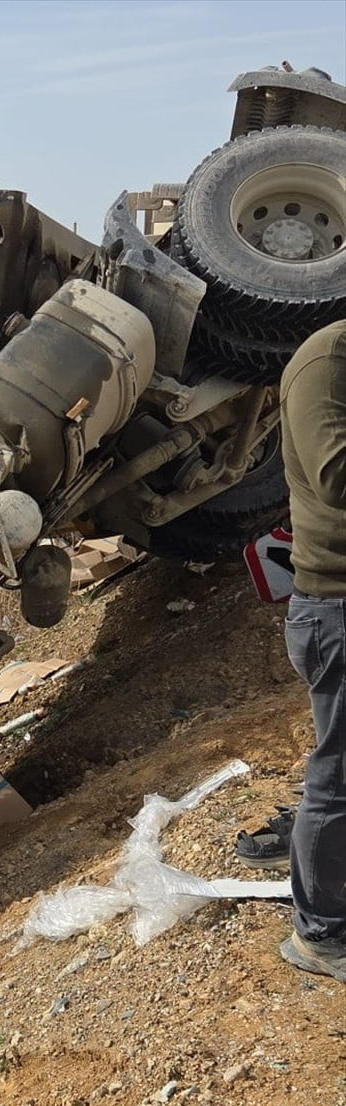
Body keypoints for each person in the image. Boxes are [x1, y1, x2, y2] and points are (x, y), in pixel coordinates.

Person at [277, 319, 346, 983]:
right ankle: (317, 935)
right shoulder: (324, 361)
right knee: (338, 779)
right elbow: (336, 477)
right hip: (335, 606)